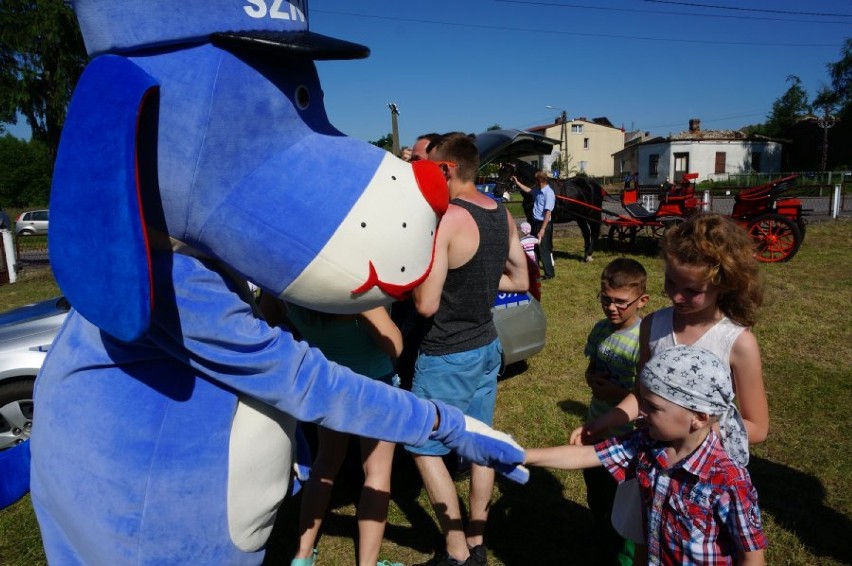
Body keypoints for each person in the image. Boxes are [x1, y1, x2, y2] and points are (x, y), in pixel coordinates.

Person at [526, 346, 768, 565]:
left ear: (698, 417)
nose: (640, 413)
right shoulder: (647, 443)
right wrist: (521, 455)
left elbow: (752, 556)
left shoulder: (728, 480)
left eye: (653, 407)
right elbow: (586, 455)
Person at [408, 132, 529, 566]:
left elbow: (425, 304)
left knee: (422, 445)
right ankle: (477, 541)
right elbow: (519, 280)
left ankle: (456, 551)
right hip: (486, 345)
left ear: (447, 168)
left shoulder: (448, 220)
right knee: (478, 443)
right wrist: (473, 279)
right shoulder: (502, 213)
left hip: (445, 354)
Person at [570, 213, 769, 448]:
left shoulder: (738, 343)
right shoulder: (652, 325)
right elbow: (642, 394)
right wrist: (604, 422)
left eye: (692, 291)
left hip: (702, 466)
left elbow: (757, 427)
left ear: (724, 285)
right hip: (651, 454)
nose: (676, 296)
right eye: (670, 282)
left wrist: (688, 431)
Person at [272, 302, 404, 566]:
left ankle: (303, 554)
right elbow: (395, 346)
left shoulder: (288, 289)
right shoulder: (357, 295)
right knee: (376, 472)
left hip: (329, 383)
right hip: (375, 387)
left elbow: (266, 318)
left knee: (325, 464)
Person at [582, 258, 649, 565]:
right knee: (596, 488)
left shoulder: (643, 341)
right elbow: (591, 367)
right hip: (596, 424)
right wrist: (591, 378)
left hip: (628, 437)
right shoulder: (600, 330)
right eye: (606, 299)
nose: (612, 308)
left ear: (641, 300)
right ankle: (600, 530)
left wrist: (616, 394)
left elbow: (647, 398)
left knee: (625, 498)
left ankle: (625, 550)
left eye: (621, 302)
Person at [511, 171, 556, 279]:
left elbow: (548, 212)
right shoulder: (538, 191)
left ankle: (549, 274)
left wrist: (543, 229)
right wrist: (517, 183)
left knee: (543, 249)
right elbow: (529, 190)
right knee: (536, 248)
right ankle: (536, 272)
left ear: (540, 181)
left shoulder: (548, 193)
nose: (534, 183)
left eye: (536, 181)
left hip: (543, 224)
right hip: (536, 223)